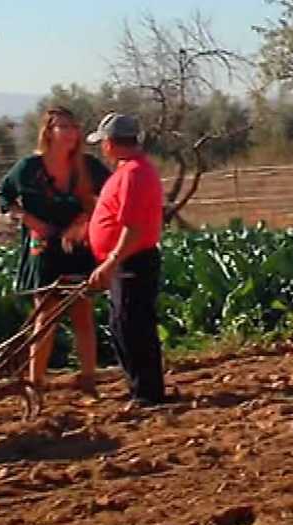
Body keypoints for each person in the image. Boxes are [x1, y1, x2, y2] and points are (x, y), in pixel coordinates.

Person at [0, 106, 111, 396]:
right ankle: (35, 384)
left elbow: (111, 196)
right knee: (45, 317)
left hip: (78, 248)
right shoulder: (29, 168)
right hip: (44, 249)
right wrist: (30, 220)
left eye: (74, 127)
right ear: (48, 132)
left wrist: (86, 221)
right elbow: (5, 195)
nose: (71, 133)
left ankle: (88, 382)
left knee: (83, 315)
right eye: (63, 127)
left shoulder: (87, 166)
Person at [85, 112, 168, 407]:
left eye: (102, 143)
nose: (102, 148)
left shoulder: (134, 174)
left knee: (133, 328)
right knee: (124, 325)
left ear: (109, 143)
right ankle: (139, 387)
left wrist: (110, 262)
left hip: (132, 261)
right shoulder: (130, 170)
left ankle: (147, 393)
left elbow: (133, 228)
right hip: (128, 260)